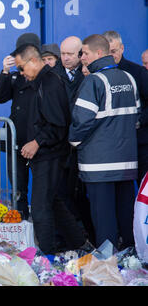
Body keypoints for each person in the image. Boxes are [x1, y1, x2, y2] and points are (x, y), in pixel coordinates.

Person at [14, 43, 90, 255]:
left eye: (22, 68)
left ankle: (46, 256)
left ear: (34, 61)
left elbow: (59, 123)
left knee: (39, 208)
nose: (20, 73)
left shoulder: (50, 83)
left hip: (50, 154)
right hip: (43, 154)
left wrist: (37, 142)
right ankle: (79, 242)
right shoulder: (37, 82)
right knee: (53, 201)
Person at [69, 34, 140, 250]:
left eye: (85, 53)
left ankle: (107, 267)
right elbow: (136, 119)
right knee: (126, 215)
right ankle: (130, 262)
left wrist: (73, 142)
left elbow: (81, 121)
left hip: (98, 165)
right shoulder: (129, 78)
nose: (82, 57)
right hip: (126, 164)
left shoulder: (94, 81)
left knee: (104, 219)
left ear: (99, 53)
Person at [0, 33, 42, 220]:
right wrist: (5, 72)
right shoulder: (16, 77)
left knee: (41, 188)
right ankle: (20, 220)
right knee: (17, 186)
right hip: (17, 140)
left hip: (39, 140)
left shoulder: (45, 77)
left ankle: (39, 223)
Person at [51, 35, 95, 245]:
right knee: (60, 193)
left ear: (80, 54)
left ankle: (86, 235)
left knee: (80, 195)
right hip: (59, 145)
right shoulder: (52, 75)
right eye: (62, 53)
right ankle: (66, 238)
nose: (65, 58)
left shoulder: (89, 75)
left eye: (70, 54)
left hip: (81, 146)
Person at [103, 31, 148, 184]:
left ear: (122, 48)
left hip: (139, 144)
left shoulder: (138, 72)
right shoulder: (98, 75)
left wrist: (138, 121)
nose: (110, 55)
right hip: (113, 147)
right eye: (107, 52)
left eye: (114, 51)